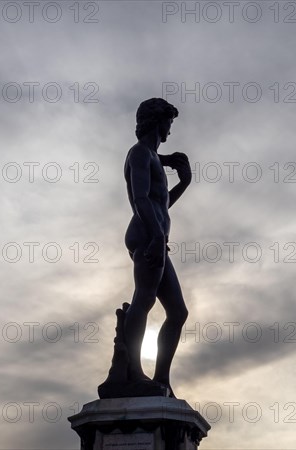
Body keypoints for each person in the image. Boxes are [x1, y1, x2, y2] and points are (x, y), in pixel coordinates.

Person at [122, 98, 192, 398]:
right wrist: (154, 237)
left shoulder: (152, 157)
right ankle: (133, 374)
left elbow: (161, 205)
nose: (169, 130)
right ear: (157, 121)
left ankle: (161, 380)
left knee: (177, 312)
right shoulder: (139, 154)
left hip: (156, 236)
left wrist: (184, 182)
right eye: (169, 123)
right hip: (147, 236)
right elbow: (139, 199)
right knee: (144, 300)